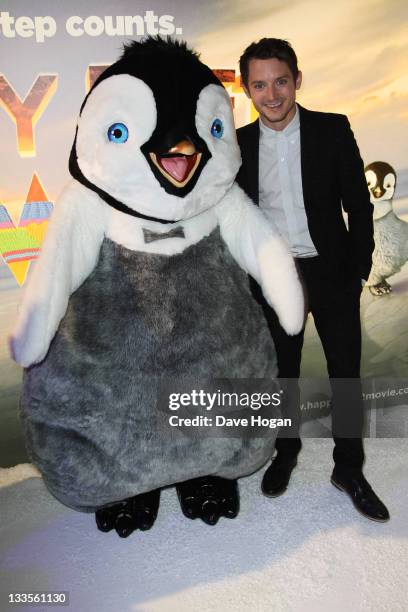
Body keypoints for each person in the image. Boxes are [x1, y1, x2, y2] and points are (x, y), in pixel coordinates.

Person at [236, 37, 389, 521]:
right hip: (274, 273)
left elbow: (359, 207)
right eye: (259, 85)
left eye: (280, 81)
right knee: (282, 373)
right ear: (247, 90)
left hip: (330, 269)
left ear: (297, 80)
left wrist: (357, 269)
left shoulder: (332, 129)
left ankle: (349, 467)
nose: (272, 94)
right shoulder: (238, 145)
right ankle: (286, 453)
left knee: (346, 373)